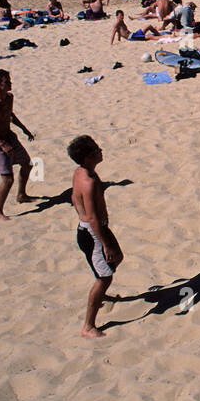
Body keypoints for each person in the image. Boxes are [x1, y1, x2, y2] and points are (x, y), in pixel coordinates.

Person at [67, 135, 123, 338]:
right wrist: (105, 243)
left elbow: (74, 198)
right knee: (105, 277)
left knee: (118, 257)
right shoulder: (88, 182)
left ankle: (101, 295)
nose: (101, 151)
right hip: (94, 234)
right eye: (97, 150)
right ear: (89, 157)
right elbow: (91, 218)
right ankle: (88, 326)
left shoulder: (81, 171)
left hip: (95, 230)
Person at [0, 69, 35, 219]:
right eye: (7, 82)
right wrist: (1, 144)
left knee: (27, 164)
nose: (10, 83)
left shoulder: (9, 97)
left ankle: (21, 195)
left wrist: (25, 129)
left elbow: (10, 115)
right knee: (7, 179)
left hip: (10, 137)